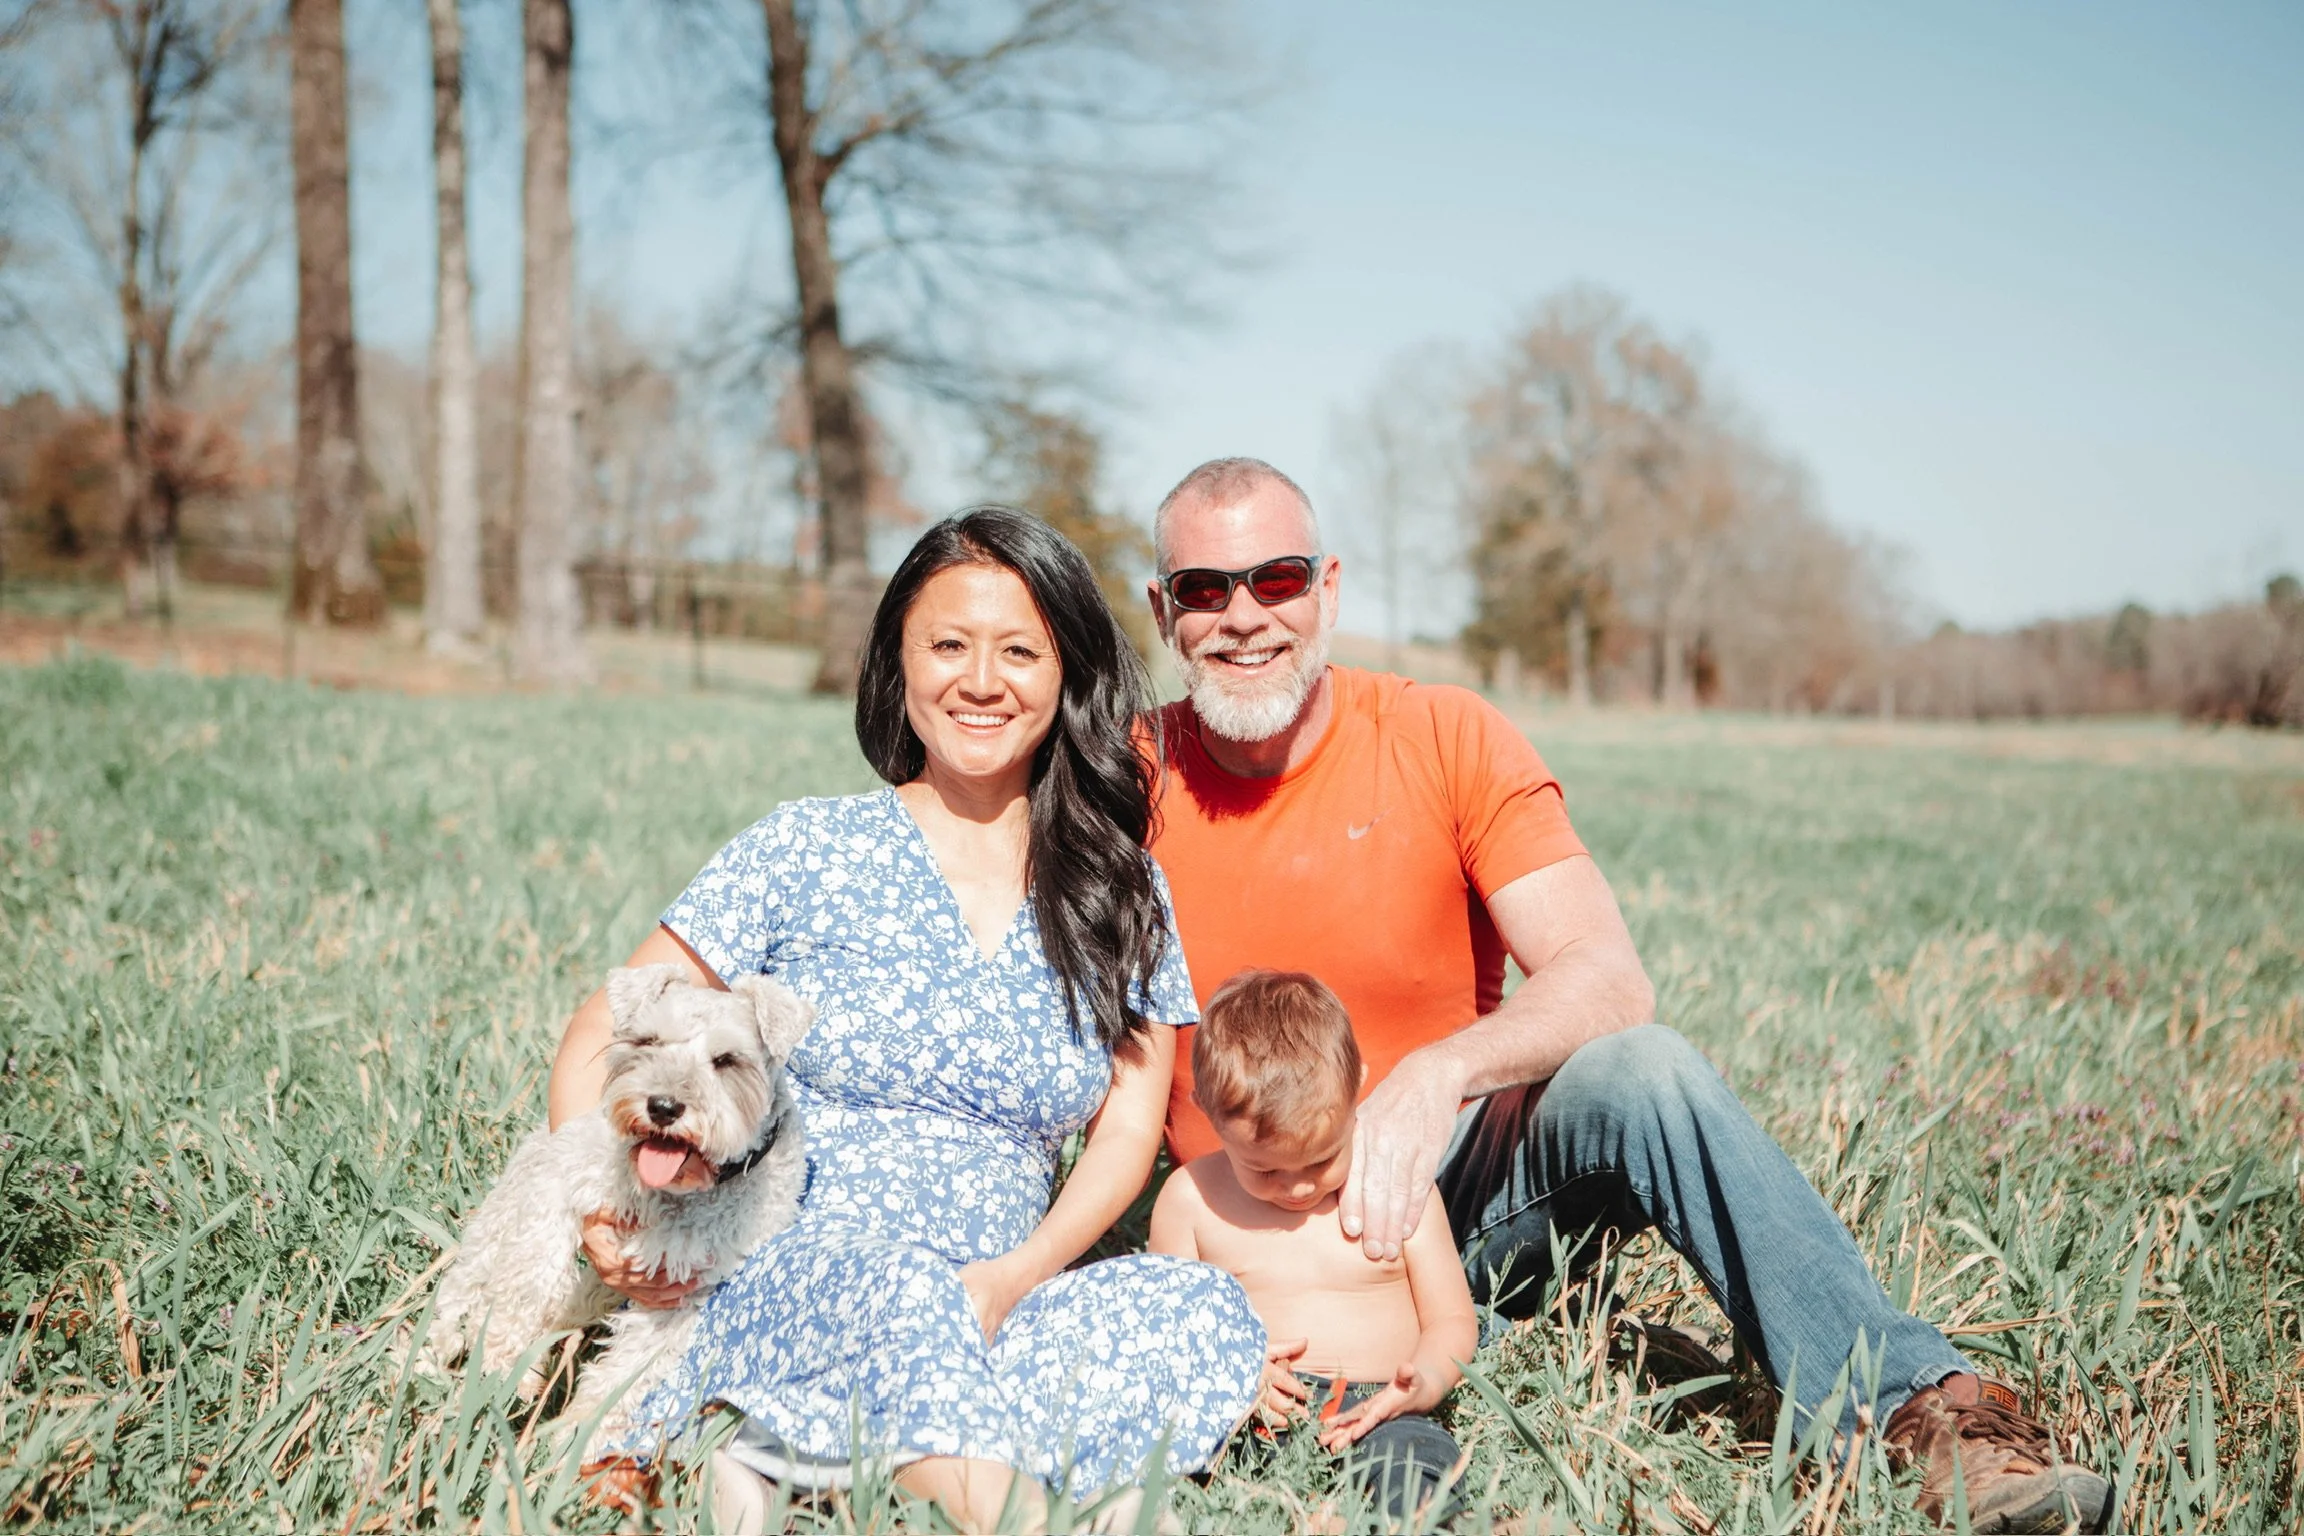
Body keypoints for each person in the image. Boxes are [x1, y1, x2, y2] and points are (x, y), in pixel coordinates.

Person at [1139, 456, 2111, 1535]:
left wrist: (1438, 1074)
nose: (1242, 615)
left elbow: (1607, 977)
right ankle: (1569, 1343)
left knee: (1644, 1067)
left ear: (1326, 588)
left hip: (1450, 1195)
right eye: (1203, 588)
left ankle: (1918, 1418)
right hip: (1241, 1234)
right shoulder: (1124, 778)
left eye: (1274, 579)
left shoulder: (1443, 735)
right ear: (1162, 611)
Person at [546, 507, 1263, 1532]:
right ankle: (1023, 1513)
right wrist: (604, 1207)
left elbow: (1128, 1127)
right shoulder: (806, 847)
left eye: (1020, 650)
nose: (982, 681)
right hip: (805, 1264)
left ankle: (793, 1448)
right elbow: (599, 1032)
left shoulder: (1120, 886)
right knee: (895, 1285)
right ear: (898, 663)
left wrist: (1016, 1278)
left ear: (1068, 676)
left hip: (1001, 1296)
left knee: (1197, 1309)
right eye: (948, 646)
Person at [1150, 969, 1477, 1528]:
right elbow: (1169, 1328)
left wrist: (1421, 1381)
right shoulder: (1191, 1201)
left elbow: (1451, 1317)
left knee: (1417, 1467)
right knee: (1174, 1462)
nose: (1299, 1187)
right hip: (1248, 1412)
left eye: (1323, 1160)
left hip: (1382, 1410)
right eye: (1267, 1168)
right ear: (1208, 1110)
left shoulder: (1395, 1186)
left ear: (1359, 1095)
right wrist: (1231, 1375)